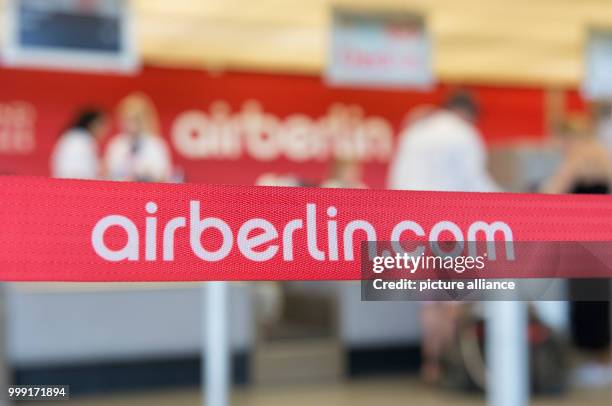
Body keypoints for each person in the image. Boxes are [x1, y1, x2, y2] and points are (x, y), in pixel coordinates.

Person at [388, 91, 499, 383]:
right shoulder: (464, 134)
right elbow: (475, 182)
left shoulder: (415, 133)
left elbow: (396, 179)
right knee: (454, 298)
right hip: (451, 223)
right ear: (468, 114)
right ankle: (452, 364)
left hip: (411, 225)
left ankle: (431, 365)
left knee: (428, 301)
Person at [104, 93, 173, 182]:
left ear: (143, 120)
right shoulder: (117, 143)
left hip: (147, 192)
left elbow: (162, 175)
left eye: (133, 119)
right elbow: (108, 172)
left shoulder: (156, 145)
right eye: (125, 119)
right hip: (120, 192)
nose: (128, 124)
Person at [51, 108, 107, 179]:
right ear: (94, 124)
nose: (105, 130)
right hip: (75, 186)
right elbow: (75, 172)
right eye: (103, 125)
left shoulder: (77, 138)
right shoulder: (78, 141)